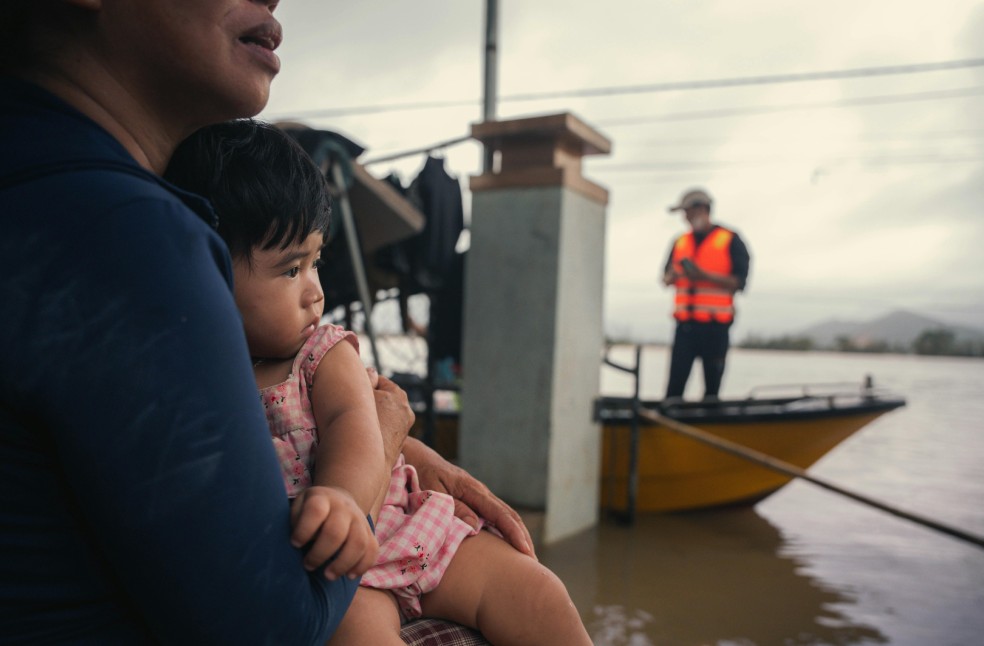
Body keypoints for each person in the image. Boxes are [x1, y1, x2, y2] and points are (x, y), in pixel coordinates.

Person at [0, 3, 532, 643]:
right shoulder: (120, 232)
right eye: (287, 267)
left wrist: (394, 446)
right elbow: (277, 625)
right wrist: (384, 441)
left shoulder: (38, 182)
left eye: (315, 262)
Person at [165, 119, 593, 646]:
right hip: (337, 576)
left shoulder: (322, 354)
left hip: (404, 526)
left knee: (535, 592)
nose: (314, 293)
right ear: (209, 272)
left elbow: (356, 425)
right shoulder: (200, 377)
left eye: (315, 262)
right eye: (289, 270)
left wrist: (345, 497)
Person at [661, 188, 751, 400]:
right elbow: (665, 278)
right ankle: (668, 426)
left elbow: (739, 282)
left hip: (715, 328)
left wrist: (703, 275)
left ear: (702, 209)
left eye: (688, 212)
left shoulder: (731, 240)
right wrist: (672, 276)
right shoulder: (679, 242)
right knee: (674, 390)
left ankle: (708, 424)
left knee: (711, 391)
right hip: (685, 328)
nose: (685, 218)